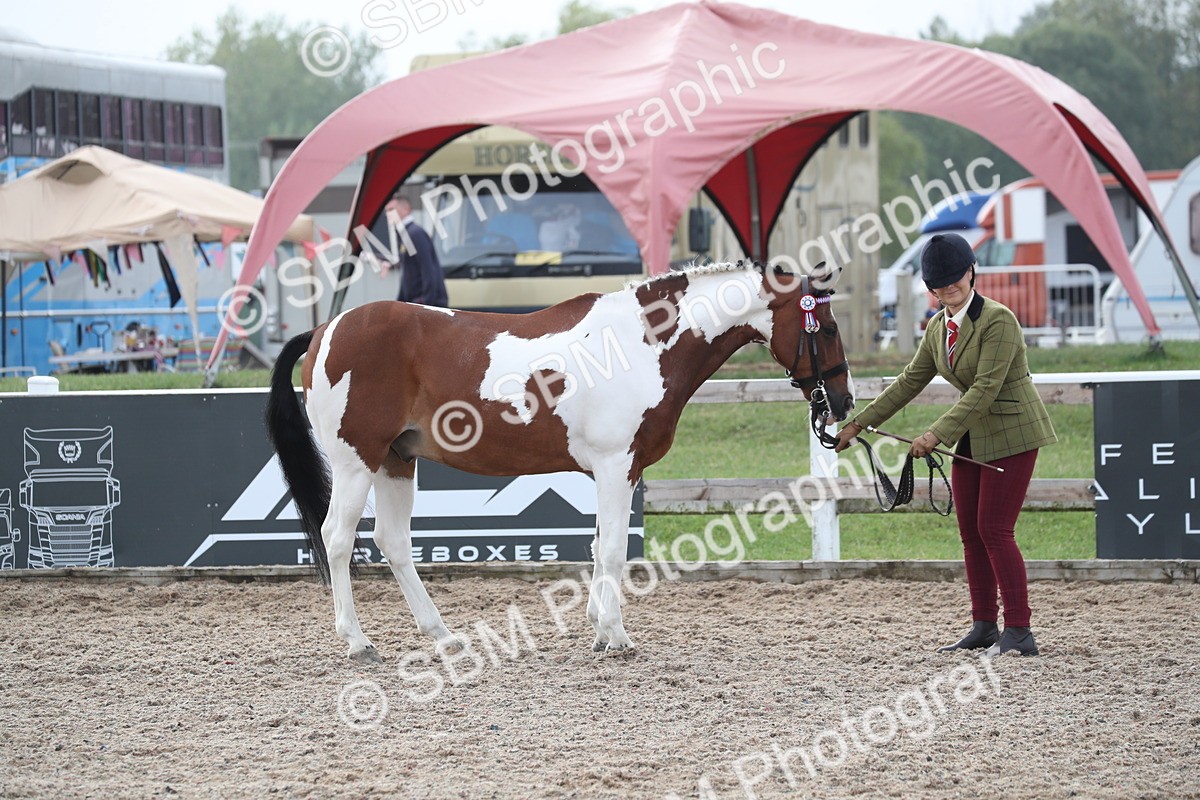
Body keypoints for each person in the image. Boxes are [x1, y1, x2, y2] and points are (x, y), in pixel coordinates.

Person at [834, 233, 1057, 657]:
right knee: (971, 533)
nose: (948, 289)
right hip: (973, 435)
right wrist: (858, 424)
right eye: (939, 284)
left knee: (995, 529)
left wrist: (935, 434)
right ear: (929, 288)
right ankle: (984, 625)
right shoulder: (938, 327)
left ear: (972, 272)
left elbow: (986, 389)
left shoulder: (999, 320)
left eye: (954, 279)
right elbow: (908, 382)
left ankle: (1021, 631)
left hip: (1013, 433)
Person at [382, 195, 449, 308]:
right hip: (415, 304)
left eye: (391, 210)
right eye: (387, 211)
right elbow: (409, 266)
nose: (388, 214)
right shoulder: (407, 234)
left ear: (406, 209)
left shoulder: (415, 234)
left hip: (427, 305)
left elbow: (427, 269)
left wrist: (427, 304)